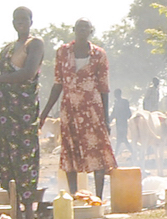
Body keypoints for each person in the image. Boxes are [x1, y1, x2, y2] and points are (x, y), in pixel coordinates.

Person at [0, 9, 45, 219]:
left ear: (30, 22)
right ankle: (16, 215)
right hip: (3, 112)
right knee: (6, 161)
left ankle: (29, 217)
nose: (21, 24)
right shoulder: (8, 49)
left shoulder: (35, 44)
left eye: (24, 20)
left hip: (22, 113)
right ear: (13, 23)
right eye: (17, 21)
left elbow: (27, 73)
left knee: (25, 161)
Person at [40, 19, 117, 199]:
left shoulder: (99, 54)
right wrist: (44, 114)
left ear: (91, 30)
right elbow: (57, 84)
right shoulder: (63, 52)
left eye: (86, 27)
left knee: (97, 150)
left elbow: (104, 88)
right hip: (70, 110)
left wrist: (106, 118)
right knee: (70, 152)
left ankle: (97, 198)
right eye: (79, 27)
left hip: (93, 109)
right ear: (74, 30)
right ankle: (75, 197)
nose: (82, 30)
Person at [112, 88, 130, 152]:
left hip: (123, 123)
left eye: (115, 94)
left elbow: (128, 113)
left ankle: (133, 152)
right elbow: (113, 113)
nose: (115, 95)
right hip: (119, 123)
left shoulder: (124, 102)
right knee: (121, 139)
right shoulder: (117, 102)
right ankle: (133, 152)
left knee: (122, 139)